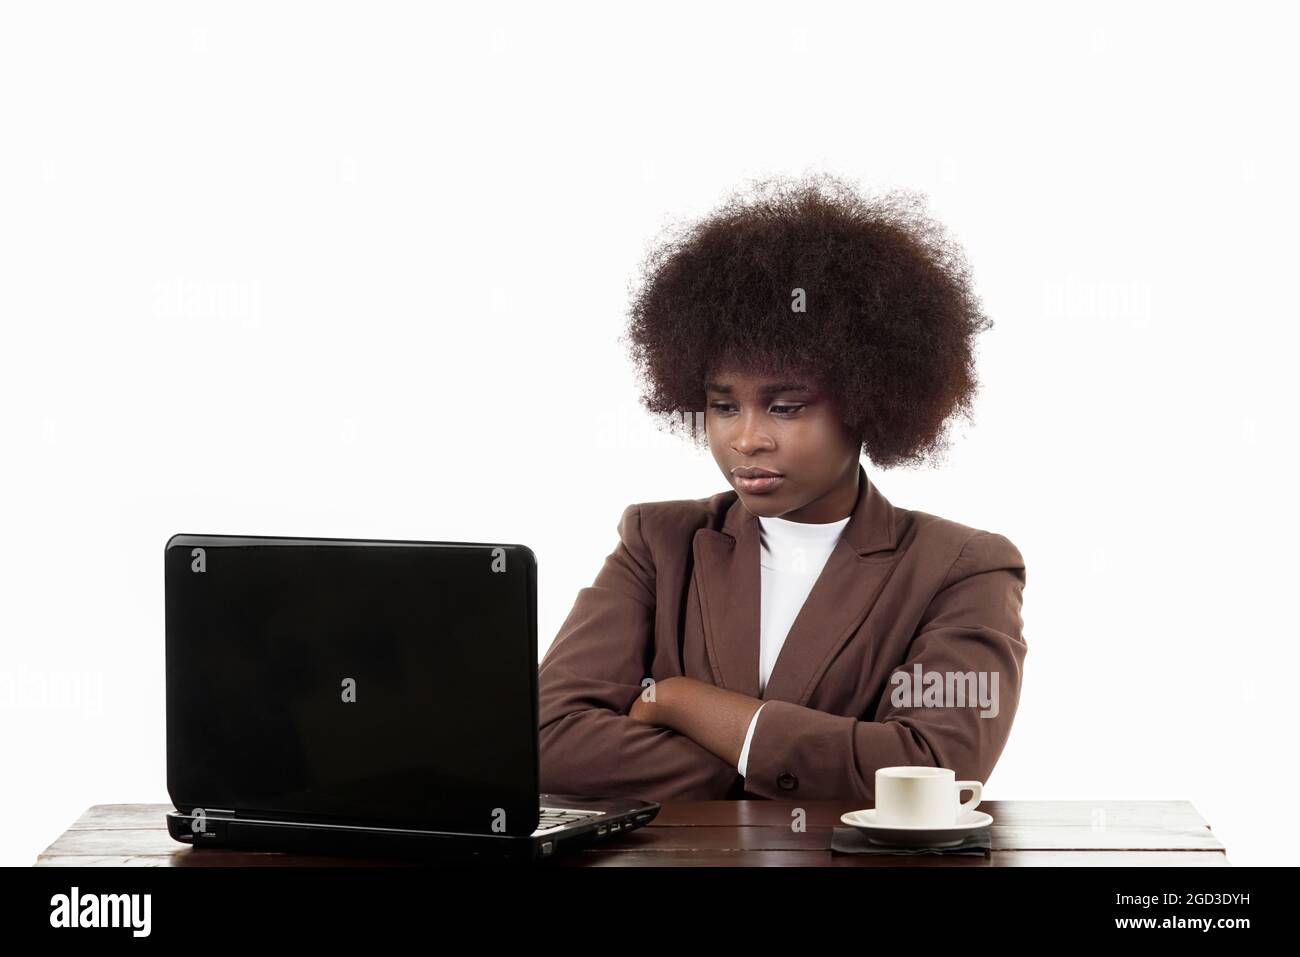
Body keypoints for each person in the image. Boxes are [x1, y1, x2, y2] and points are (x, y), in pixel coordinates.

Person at [538, 173, 1027, 804]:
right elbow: (547, 742)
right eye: (721, 406)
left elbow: (937, 769)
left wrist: (684, 701)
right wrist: (773, 764)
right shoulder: (659, 542)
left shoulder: (960, 567)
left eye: (787, 407)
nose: (746, 439)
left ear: (869, 403)